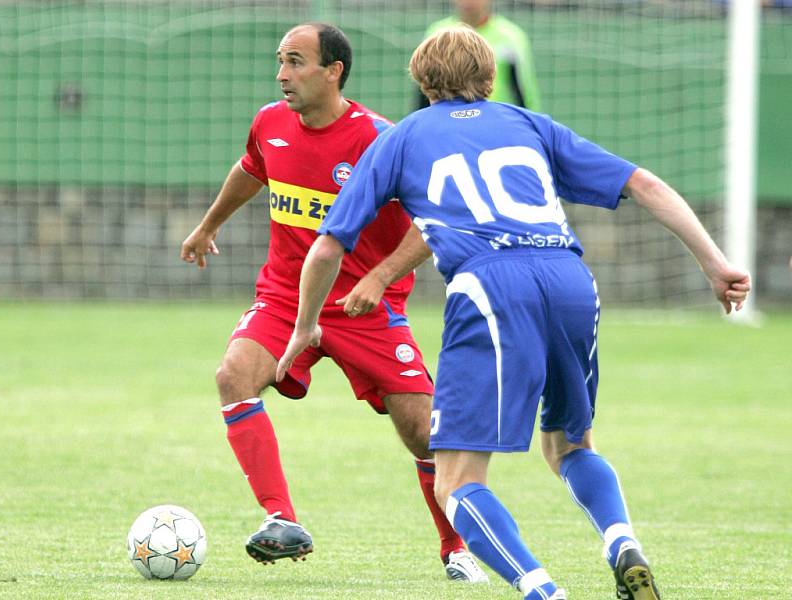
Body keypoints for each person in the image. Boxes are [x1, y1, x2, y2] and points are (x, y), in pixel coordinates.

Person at [277, 26, 751, 600]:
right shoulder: (529, 124)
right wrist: (715, 263)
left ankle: (542, 590)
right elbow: (643, 183)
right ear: (489, 77)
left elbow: (328, 246)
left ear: (423, 82)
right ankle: (621, 541)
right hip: (570, 279)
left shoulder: (401, 138)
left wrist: (306, 326)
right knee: (570, 444)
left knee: (455, 481)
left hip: (488, 287)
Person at [180, 22, 488, 582]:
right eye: (280, 62)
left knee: (424, 432)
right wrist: (207, 227)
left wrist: (381, 277)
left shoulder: (381, 139)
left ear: (333, 71)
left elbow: (435, 221)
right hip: (284, 298)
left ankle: (456, 548)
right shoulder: (270, 124)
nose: (282, 75)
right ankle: (281, 519)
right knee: (233, 375)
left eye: (296, 62)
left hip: (365, 310)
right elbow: (251, 171)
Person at [415, 0, 541, 111]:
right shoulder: (436, 33)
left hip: (495, 126)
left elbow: (525, 92)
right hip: (446, 124)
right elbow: (423, 87)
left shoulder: (512, 37)